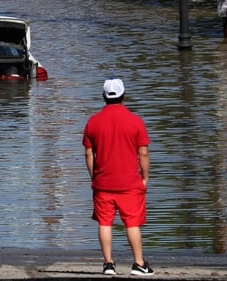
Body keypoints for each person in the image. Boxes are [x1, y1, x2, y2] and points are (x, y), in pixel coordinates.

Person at [82, 78, 154, 276]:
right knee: (132, 223)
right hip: (130, 183)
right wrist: (145, 177)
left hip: (103, 183)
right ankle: (139, 264)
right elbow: (144, 153)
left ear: (104, 97)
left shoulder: (93, 122)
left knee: (105, 223)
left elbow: (89, 154)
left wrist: (93, 176)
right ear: (124, 96)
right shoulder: (135, 121)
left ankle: (108, 264)